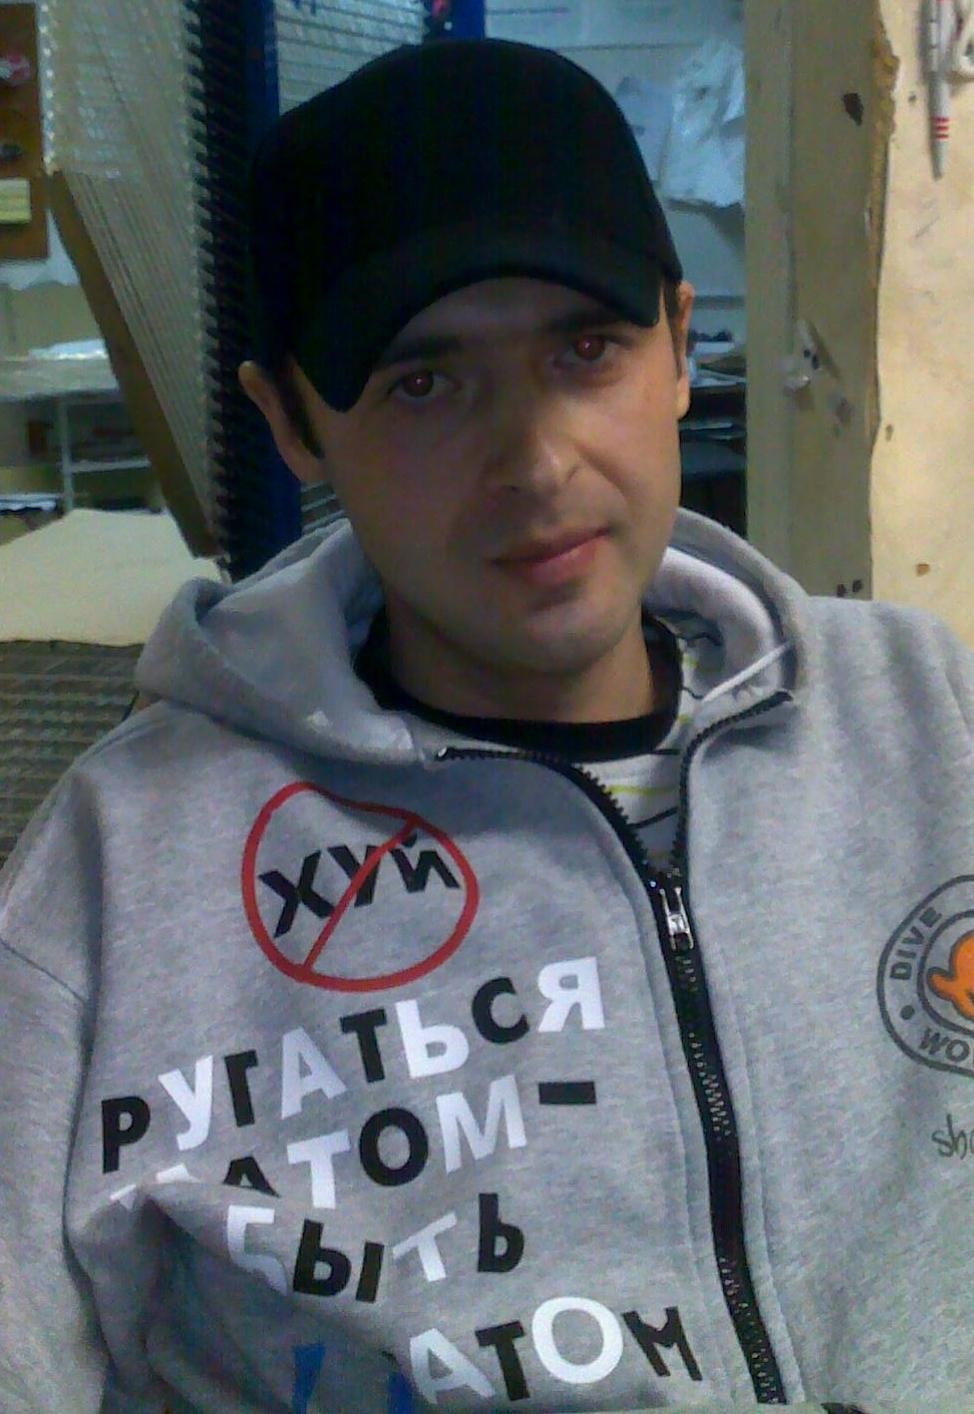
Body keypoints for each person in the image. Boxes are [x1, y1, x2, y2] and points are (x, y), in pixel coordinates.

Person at [0, 35, 971, 1414]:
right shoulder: (123, 876)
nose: (538, 461)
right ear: (291, 423)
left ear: (677, 345)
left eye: (586, 349)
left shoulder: (924, 717)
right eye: (424, 383)